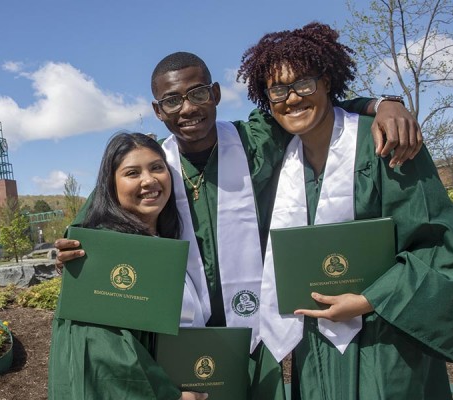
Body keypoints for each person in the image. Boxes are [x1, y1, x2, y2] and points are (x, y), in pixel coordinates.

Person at [57, 51, 423, 400]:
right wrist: (71, 251)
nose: (188, 108)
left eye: (198, 93)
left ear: (215, 94)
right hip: (176, 338)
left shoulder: (255, 141)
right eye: (172, 101)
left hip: (255, 335)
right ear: (158, 110)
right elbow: (92, 231)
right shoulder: (153, 164)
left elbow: (305, 107)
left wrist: (381, 104)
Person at [237, 22, 453, 399]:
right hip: (312, 342)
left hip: (385, 339)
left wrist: (368, 301)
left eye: (304, 83)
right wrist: (381, 102)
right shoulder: (279, 155)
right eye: (278, 89)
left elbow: (441, 248)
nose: (292, 98)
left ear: (328, 81)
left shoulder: (386, 144)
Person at [48, 132, 207, 400]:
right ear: (110, 186)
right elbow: (103, 353)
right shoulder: (104, 255)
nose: (149, 180)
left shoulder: (166, 245)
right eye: (132, 173)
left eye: (157, 167)